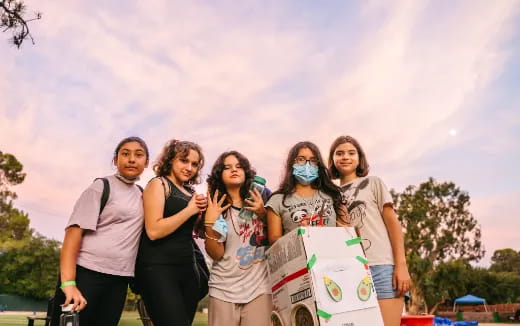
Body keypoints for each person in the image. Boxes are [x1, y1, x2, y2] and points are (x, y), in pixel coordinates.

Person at [54, 136, 149, 326]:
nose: (131, 159)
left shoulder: (143, 194)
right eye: (125, 154)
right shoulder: (100, 187)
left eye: (138, 155)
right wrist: (69, 284)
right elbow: (73, 235)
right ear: (115, 160)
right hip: (86, 275)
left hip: (119, 280)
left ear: (146, 162)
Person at [328, 135, 411, 326]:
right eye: (339, 153)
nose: (345, 157)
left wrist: (401, 265)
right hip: (349, 271)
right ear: (332, 160)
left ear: (359, 158)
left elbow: (393, 224)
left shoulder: (374, 182)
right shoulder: (330, 195)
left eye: (351, 153)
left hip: (382, 267)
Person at [135, 139, 208, 326]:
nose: (189, 167)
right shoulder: (158, 184)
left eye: (194, 164)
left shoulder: (190, 192)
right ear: (170, 160)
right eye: (184, 161)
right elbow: (153, 230)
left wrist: (204, 216)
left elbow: (194, 231)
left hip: (188, 269)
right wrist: (190, 210)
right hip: (158, 268)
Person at [204, 151, 272, 326]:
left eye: (239, 166)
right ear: (219, 175)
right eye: (227, 167)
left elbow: (278, 236)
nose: (234, 170)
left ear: (247, 171)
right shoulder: (217, 205)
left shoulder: (262, 196)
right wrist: (209, 222)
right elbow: (216, 254)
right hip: (223, 289)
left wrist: (262, 213)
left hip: (260, 288)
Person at [266, 141, 347, 243]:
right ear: (292, 163)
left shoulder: (333, 195)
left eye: (313, 160)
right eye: (301, 159)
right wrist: (298, 234)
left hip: (332, 256)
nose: (307, 165)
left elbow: (346, 233)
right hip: (298, 258)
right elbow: (273, 241)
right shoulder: (277, 200)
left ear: (318, 165)